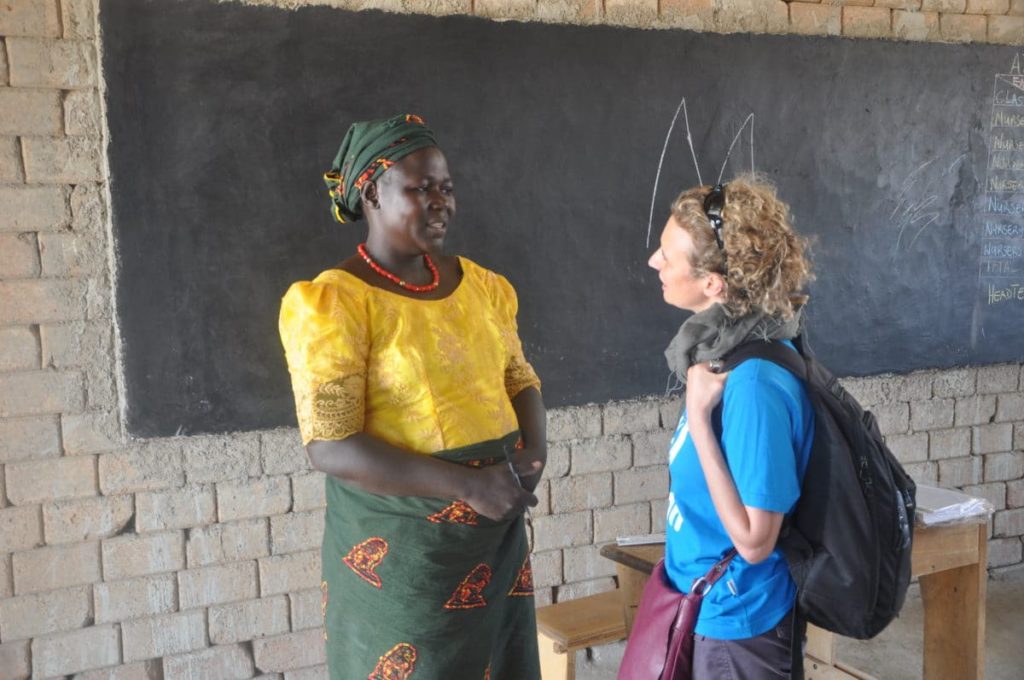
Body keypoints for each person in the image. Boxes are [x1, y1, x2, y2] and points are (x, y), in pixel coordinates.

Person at [279, 114, 546, 680]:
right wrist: (469, 485)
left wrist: (533, 457)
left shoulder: (482, 285)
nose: (439, 202)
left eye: (445, 188)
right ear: (371, 193)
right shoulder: (335, 303)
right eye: (419, 189)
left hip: (493, 538)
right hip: (403, 560)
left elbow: (520, 379)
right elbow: (331, 446)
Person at [646, 176, 815, 679]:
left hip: (740, 627)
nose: (654, 263)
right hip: (709, 608)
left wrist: (698, 418)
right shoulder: (722, 353)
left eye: (667, 256)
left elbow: (755, 541)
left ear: (713, 284)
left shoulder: (753, 385)